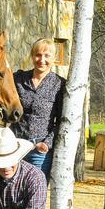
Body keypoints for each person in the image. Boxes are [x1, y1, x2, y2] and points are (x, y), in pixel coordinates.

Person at [12, 38, 65, 181]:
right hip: (15, 147)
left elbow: (61, 121)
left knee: (35, 193)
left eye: (47, 55)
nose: (42, 59)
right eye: (38, 55)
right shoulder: (18, 79)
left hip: (39, 151)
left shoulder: (59, 85)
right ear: (32, 56)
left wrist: (46, 143)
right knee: (11, 191)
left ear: (54, 58)